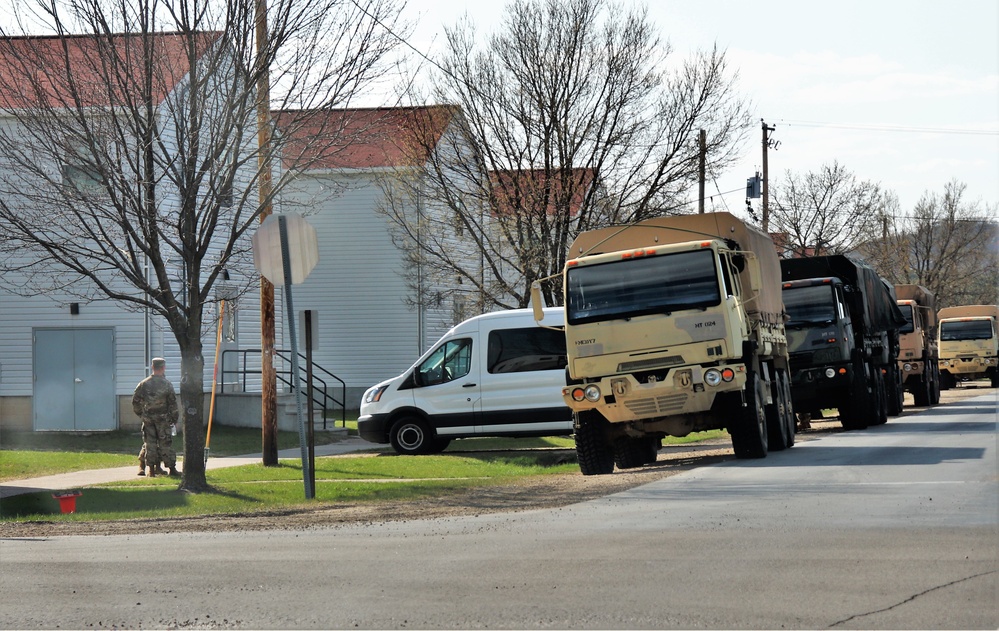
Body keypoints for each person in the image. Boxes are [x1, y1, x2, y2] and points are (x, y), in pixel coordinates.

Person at [131, 357, 180, 477]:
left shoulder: (144, 384)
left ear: (152, 367)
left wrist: (141, 414)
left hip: (148, 419)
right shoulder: (167, 384)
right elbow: (172, 403)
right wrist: (174, 418)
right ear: (163, 368)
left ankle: (151, 470)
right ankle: (171, 469)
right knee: (165, 443)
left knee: (150, 443)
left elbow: (135, 401)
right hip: (163, 419)